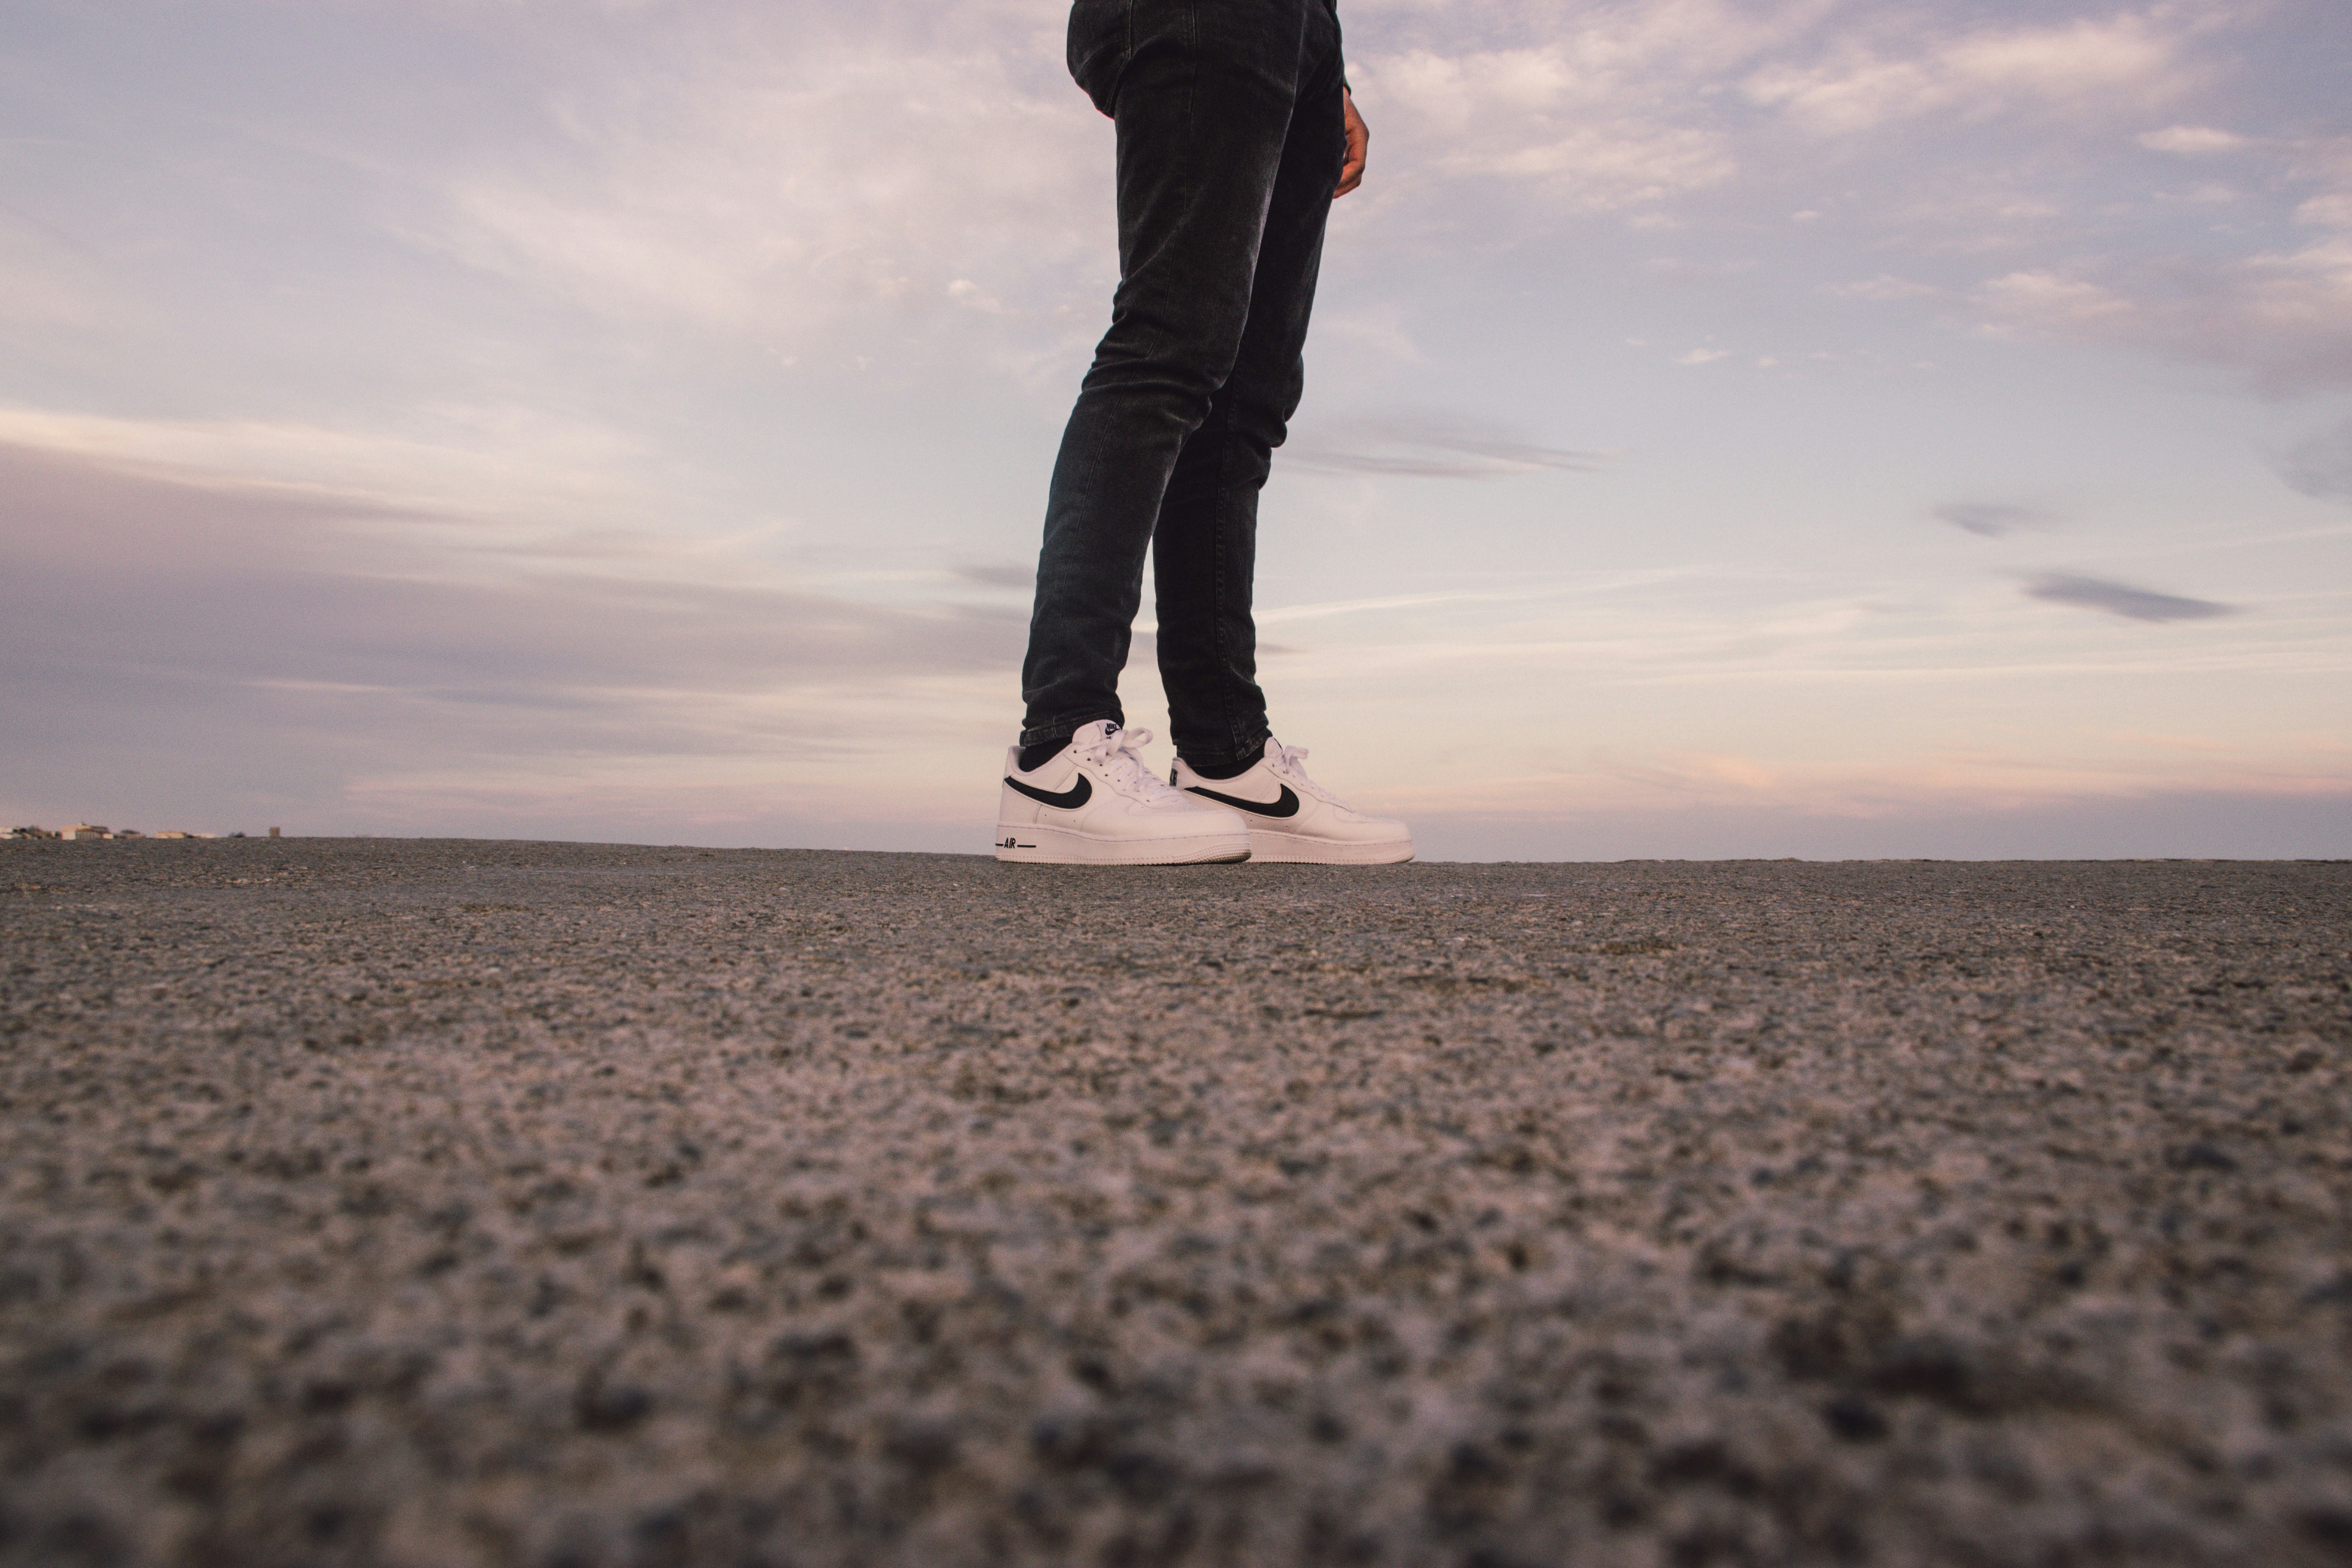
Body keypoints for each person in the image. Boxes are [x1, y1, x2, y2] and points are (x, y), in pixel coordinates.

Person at [995, 0, 1414, 867]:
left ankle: (1227, 761)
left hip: (1306, 35)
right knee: (1166, 348)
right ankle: (1056, 748)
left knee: (1247, 404)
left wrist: (1324, 63)